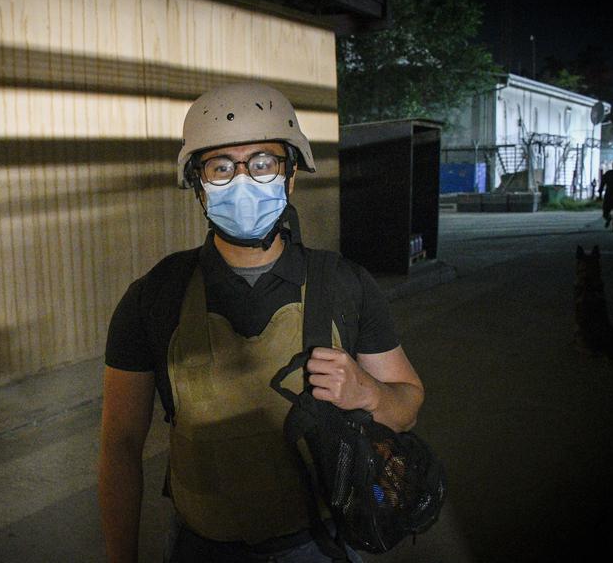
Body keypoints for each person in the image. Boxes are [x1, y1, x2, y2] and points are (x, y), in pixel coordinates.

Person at [97, 82, 423, 563]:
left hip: (321, 546)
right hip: (199, 549)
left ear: (290, 175)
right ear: (198, 182)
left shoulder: (345, 284)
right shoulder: (154, 297)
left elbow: (408, 405)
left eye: (263, 163)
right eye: (222, 167)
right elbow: (121, 446)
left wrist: (369, 394)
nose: (244, 180)